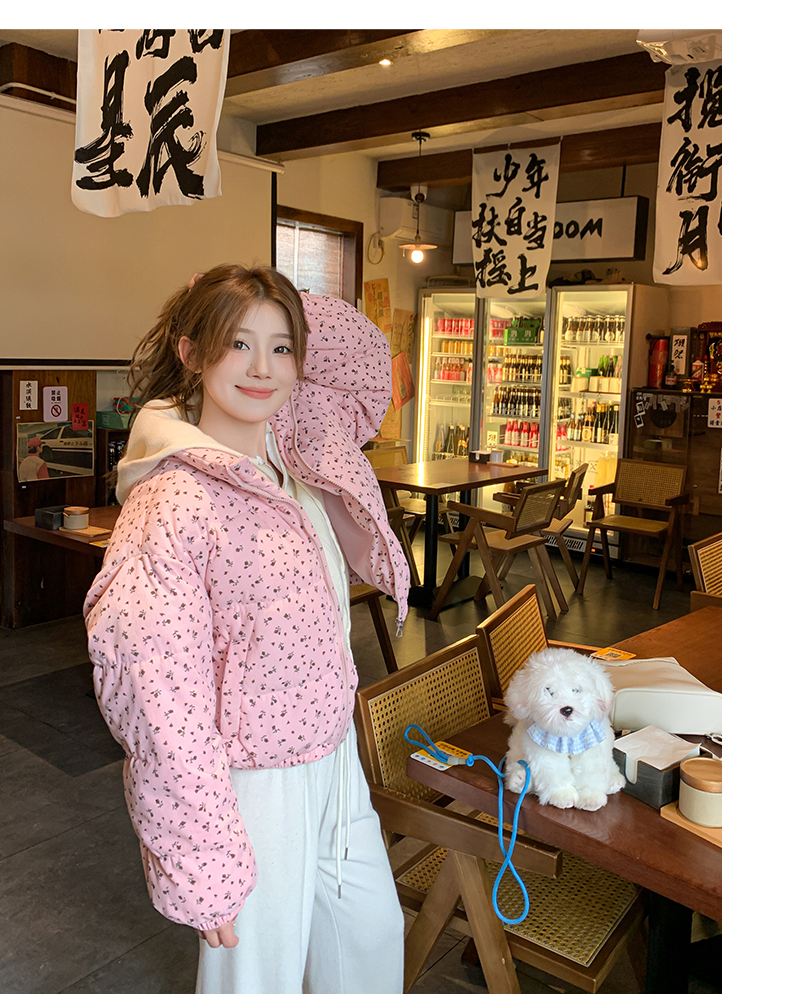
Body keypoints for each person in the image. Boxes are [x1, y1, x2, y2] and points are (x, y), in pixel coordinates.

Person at [83, 264, 411, 994]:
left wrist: (258, 288)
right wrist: (201, 854)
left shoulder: (293, 464)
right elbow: (158, 697)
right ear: (191, 352)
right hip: (254, 781)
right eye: (236, 343)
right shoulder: (173, 501)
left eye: (281, 347)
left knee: (370, 943)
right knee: (257, 981)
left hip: (332, 756)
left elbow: (358, 360)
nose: (263, 367)